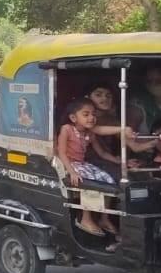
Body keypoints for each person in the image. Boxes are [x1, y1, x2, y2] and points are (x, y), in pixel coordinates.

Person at [55, 97, 137, 237]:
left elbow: (103, 153)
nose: (91, 118)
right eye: (86, 115)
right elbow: (61, 153)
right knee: (90, 182)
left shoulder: (89, 133)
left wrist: (122, 162)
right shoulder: (67, 129)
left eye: (93, 114)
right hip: (70, 164)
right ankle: (85, 218)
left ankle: (104, 218)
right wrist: (72, 172)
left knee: (108, 180)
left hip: (82, 164)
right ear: (73, 118)